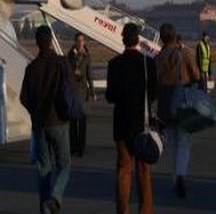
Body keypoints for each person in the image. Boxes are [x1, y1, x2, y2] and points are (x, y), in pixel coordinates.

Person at [20, 25, 72, 214]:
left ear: (36, 43)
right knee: (65, 165)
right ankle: (55, 197)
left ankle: (45, 209)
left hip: (40, 124)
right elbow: (71, 89)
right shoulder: (61, 62)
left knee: (44, 168)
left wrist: (35, 112)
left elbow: (23, 98)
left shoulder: (31, 68)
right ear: (51, 41)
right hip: (59, 121)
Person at [106, 22, 157, 214]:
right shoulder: (148, 63)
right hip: (142, 122)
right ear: (138, 40)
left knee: (123, 169)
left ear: (123, 39)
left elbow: (110, 96)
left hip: (121, 124)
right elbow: (153, 94)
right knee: (144, 171)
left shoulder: (114, 64)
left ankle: (123, 209)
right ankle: (145, 210)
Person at [155, 23, 200, 198]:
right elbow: (196, 75)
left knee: (172, 142)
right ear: (175, 36)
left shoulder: (158, 57)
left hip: (165, 106)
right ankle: (180, 176)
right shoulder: (183, 53)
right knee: (184, 143)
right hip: (182, 103)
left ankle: (175, 179)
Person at [67, 32, 95, 157]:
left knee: (82, 120)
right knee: (73, 120)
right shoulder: (70, 55)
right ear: (75, 41)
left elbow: (90, 75)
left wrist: (93, 92)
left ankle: (81, 148)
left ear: (84, 42)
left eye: (82, 40)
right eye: (78, 40)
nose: (80, 42)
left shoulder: (87, 56)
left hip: (83, 91)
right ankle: (73, 147)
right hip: (73, 90)